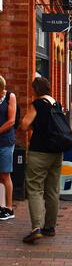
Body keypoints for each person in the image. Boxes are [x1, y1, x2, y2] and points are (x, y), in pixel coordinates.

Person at [20, 77, 63, 243]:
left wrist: (32, 125)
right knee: (52, 189)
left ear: (35, 90)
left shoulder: (37, 104)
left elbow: (24, 125)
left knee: (35, 188)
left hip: (39, 152)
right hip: (57, 152)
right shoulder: (56, 103)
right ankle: (50, 227)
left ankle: (36, 227)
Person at [0, 75, 16, 221]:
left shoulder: (10, 96)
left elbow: (11, 121)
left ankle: (9, 208)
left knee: (5, 174)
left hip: (5, 141)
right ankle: (1, 205)